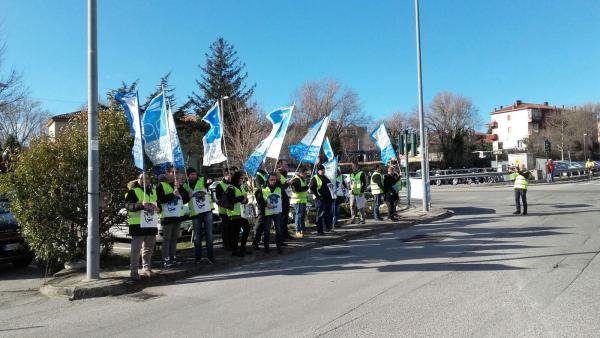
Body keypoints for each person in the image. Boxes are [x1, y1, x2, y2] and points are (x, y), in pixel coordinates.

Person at [124, 172, 159, 280]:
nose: (145, 180)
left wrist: (159, 209)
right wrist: (140, 205)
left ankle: (147, 268)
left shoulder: (153, 191)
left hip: (151, 224)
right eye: (142, 178)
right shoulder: (132, 192)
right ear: (138, 179)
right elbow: (128, 206)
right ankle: (133, 272)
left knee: (148, 248)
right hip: (138, 225)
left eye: (147, 178)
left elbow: (158, 205)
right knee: (136, 250)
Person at [156, 165, 186, 268]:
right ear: (166, 173)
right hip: (167, 216)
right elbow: (160, 199)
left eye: (176, 173)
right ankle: (166, 259)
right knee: (167, 239)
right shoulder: (161, 185)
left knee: (174, 238)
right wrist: (173, 194)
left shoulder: (176, 185)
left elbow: (185, 198)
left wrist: (180, 187)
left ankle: (173, 257)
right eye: (172, 173)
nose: (175, 175)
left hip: (177, 215)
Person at [183, 167, 215, 264]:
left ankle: (210, 257)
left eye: (195, 174)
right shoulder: (185, 185)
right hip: (195, 214)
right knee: (197, 237)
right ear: (188, 176)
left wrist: (208, 179)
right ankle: (198, 257)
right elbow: (184, 199)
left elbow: (210, 180)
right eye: (191, 174)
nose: (194, 176)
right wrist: (186, 196)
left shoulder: (202, 179)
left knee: (209, 235)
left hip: (207, 211)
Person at [254, 172, 284, 253]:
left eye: (274, 180)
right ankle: (266, 248)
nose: (273, 181)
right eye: (271, 180)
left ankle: (279, 247)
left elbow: (284, 197)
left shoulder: (279, 187)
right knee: (267, 230)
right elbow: (258, 197)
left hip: (277, 211)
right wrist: (265, 204)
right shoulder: (263, 187)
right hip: (267, 212)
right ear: (268, 179)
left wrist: (282, 206)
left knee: (278, 229)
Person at [226, 171, 252, 257]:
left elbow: (245, 198)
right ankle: (235, 250)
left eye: (243, 179)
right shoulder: (230, 187)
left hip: (242, 213)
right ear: (237, 178)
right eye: (241, 178)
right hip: (234, 213)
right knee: (235, 233)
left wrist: (246, 200)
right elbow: (231, 200)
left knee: (247, 229)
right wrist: (242, 198)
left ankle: (242, 247)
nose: (242, 180)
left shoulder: (241, 187)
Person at [310, 164, 333, 234]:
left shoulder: (325, 177)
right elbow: (312, 188)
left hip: (327, 199)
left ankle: (327, 228)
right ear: (318, 171)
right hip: (320, 200)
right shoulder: (315, 178)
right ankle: (319, 230)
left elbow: (330, 186)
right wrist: (318, 196)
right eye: (321, 170)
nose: (323, 171)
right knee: (319, 215)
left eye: (324, 170)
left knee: (327, 214)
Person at [215, 169, 233, 251]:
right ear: (225, 175)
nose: (231, 176)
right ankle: (226, 245)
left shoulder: (233, 184)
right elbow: (218, 199)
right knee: (225, 228)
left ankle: (232, 243)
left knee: (232, 228)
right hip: (224, 211)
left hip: (233, 211)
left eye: (231, 174)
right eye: (229, 174)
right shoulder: (220, 185)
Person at [276, 159, 293, 242]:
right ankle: (281, 235)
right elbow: (280, 187)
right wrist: (288, 184)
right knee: (282, 218)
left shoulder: (284, 173)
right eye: (285, 164)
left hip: (286, 198)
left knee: (285, 217)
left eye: (287, 164)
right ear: (280, 165)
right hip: (281, 199)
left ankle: (286, 233)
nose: (287, 166)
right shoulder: (277, 174)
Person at [290, 166, 309, 238]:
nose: (306, 174)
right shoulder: (296, 179)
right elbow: (296, 189)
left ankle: (302, 230)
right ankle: (297, 231)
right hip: (297, 200)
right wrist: (306, 188)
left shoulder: (302, 179)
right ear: (301, 173)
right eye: (305, 173)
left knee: (302, 216)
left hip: (302, 200)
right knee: (299, 216)